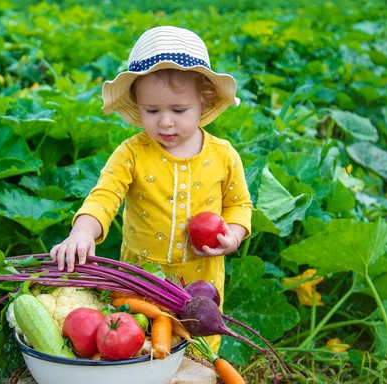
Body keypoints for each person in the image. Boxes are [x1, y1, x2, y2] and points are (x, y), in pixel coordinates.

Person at [50, 26, 252, 350]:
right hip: (140, 279)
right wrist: (83, 232)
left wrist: (234, 236)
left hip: (200, 283)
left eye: (178, 110)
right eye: (152, 111)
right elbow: (105, 195)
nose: (166, 122)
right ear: (137, 105)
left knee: (197, 348)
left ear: (204, 100)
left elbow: (240, 205)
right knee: (139, 343)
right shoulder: (132, 153)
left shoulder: (224, 156)